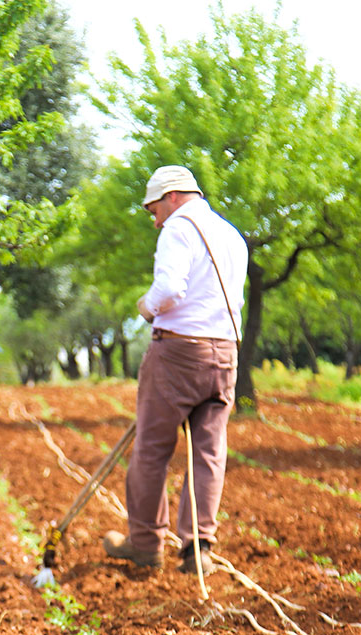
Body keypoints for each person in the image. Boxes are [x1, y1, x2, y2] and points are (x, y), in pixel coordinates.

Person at [102, 164, 247, 575]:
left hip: (179, 353)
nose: (154, 220)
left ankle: (146, 545)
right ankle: (198, 549)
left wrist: (146, 307)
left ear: (172, 197)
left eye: (153, 210)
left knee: (151, 449)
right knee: (209, 452)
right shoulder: (232, 236)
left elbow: (169, 289)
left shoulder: (178, 229)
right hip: (225, 354)